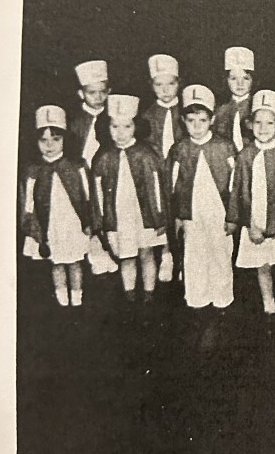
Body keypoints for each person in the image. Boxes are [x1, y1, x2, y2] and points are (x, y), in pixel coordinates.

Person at [227, 89, 275, 317]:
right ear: (250, 125)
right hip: (255, 223)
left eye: (270, 123)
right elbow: (238, 192)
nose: (263, 129)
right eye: (258, 123)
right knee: (262, 266)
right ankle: (267, 302)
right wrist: (246, 224)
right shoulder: (244, 156)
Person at [91, 95, 167, 304]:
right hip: (119, 215)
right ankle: (130, 294)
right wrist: (101, 222)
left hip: (144, 214)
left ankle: (150, 293)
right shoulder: (104, 157)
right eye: (115, 127)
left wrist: (160, 217)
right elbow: (97, 193)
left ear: (136, 127)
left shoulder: (146, 154)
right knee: (126, 256)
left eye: (126, 126)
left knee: (147, 252)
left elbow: (157, 188)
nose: (120, 133)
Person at [167, 84, 237, 311]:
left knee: (220, 252)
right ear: (183, 121)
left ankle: (222, 296)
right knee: (194, 253)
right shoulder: (179, 149)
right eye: (191, 121)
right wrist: (178, 215)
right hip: (192, 212)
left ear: (213, 120)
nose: (196, 127)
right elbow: (173, 186)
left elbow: (236, 184)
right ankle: (197, 296)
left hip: (219, 211)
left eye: (202, 120)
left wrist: (234, 216)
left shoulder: (224, 147)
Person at [20, 105, 92, 308]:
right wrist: (33, 228)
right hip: (49, 223)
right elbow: (28, 203)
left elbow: (86, 198)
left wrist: (88, 222)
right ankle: (61, 296)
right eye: (43, 140)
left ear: (64, 140)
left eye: (55, 139)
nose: (49, 145)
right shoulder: (33, 170)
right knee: (56, 261)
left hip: (72, 221)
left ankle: (77, 296)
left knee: (75, 260)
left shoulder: (76, 166)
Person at [68, 59, 117, 275]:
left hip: (106, 173)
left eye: (102, 92)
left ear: (109, 91)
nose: (97, 97)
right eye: (91, 92)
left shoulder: (114, 117)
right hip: (83, 172)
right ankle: (95, 253)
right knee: (87, 214)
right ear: (81, 94)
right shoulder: (76, 121)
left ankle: (111, 250)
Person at [140, 53, 184, 283]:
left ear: (179, 83)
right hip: (157, 172)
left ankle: (183, 260)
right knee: (162, 211)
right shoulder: (147, 115)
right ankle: (166, 253)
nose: (165, 90)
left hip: (182, 172)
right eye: (159, 85)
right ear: (151, 86)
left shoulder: (188, 111)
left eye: (171, 83)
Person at [214, 46, 255, 152]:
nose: (239, 84)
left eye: (245, 78)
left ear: (253, 80)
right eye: (233, 78)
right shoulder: (220, 110)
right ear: (226, 80)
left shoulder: (256, 107)